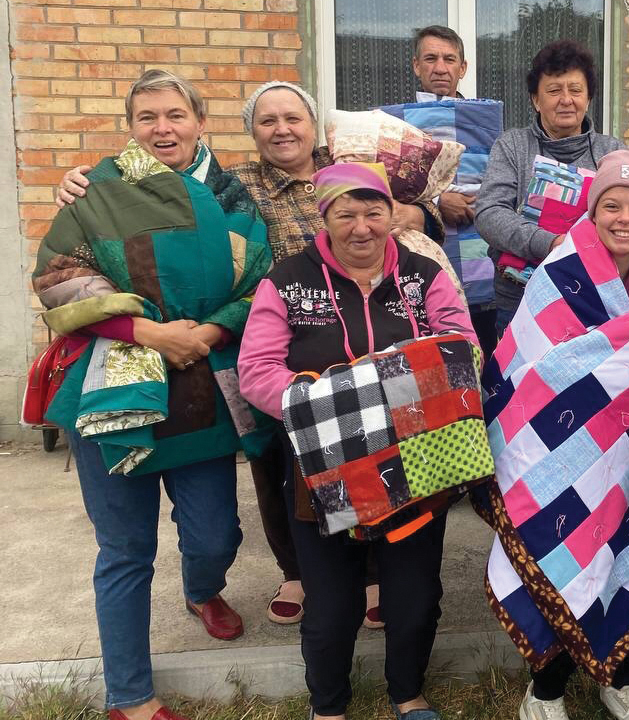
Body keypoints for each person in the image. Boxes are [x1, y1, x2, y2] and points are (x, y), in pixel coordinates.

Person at [53, 81, 405, 629]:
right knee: (280, 469)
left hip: (350, 330)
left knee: (369, 453)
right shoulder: (235, 185)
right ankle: (294, 571)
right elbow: (77, 256)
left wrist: (415, 215)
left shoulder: (350, 170)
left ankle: (374, 574)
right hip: (268, 347)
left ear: (314, 126)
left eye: (293, 117)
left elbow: (411, 210)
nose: (282, 129)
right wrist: (79, 181)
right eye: (267, 121)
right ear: (249, 132)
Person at [30, 69, 272, 720]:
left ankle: (202, 590)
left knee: (216, 534)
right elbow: (58, 276)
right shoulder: (98, 189)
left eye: (174, 115)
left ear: (199, 121)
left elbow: (262, 281)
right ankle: (130, 697)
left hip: (203, 378)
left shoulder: (230, 196)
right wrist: (146, 331)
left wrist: (214, 328)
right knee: (126, 548)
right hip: (113, 392)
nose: (161, 128)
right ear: (131, 126)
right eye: (146, 118)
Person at [238, 162, 477, 720]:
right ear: (326, 217)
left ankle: (408, 694)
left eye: (374, 211)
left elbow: (460, 342)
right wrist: (340, 399)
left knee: (414, 596)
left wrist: (382, 390)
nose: (362, 226)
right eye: (346, 213)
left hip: (418, 459)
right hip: (324, 463)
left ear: (392, 214)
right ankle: (328, 706)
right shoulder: (288, 280)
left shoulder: (423, 275)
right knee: (332, 604)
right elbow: (256, 371)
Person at [482, 151, 629, 720]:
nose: (624, 217)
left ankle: (622, 679)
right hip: (552, 459)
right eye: (611, 205)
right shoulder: (557, 275)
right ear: (591, 212)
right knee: (554, 563)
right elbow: (528, 369)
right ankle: (544, 694)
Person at [473, 39, 625, 336]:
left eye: (575, 90)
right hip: (519, 302)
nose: (566, 99)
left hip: (593, 301)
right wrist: (553, 243)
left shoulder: (613, 152)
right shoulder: (513, 146)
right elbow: (489, 213)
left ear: (588, 98)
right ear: (535, 100)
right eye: (554, 90)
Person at [408, 25, 501, 358]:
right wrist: (436, 201)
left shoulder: (486, 123)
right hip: (424, 260)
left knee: (488, 359)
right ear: (416, 65)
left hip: (482, 263)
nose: (440, 67)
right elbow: (388, 190)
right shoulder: (399, 126)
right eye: (430, 58)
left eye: (449, 59)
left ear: (463, 68)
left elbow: (507, 179)